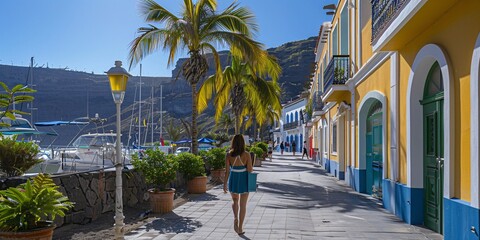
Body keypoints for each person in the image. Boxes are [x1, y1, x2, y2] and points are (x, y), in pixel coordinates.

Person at [224, 134, 253, 236]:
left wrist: (224, 184)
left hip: (233, 179)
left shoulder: (228, 155)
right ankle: (240, 228)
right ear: (243, 143)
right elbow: (250, 170)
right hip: (244, 179)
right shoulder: (247, 154)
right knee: (243, 205)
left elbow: (227, 171)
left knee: (235, 200)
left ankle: (235, 217)